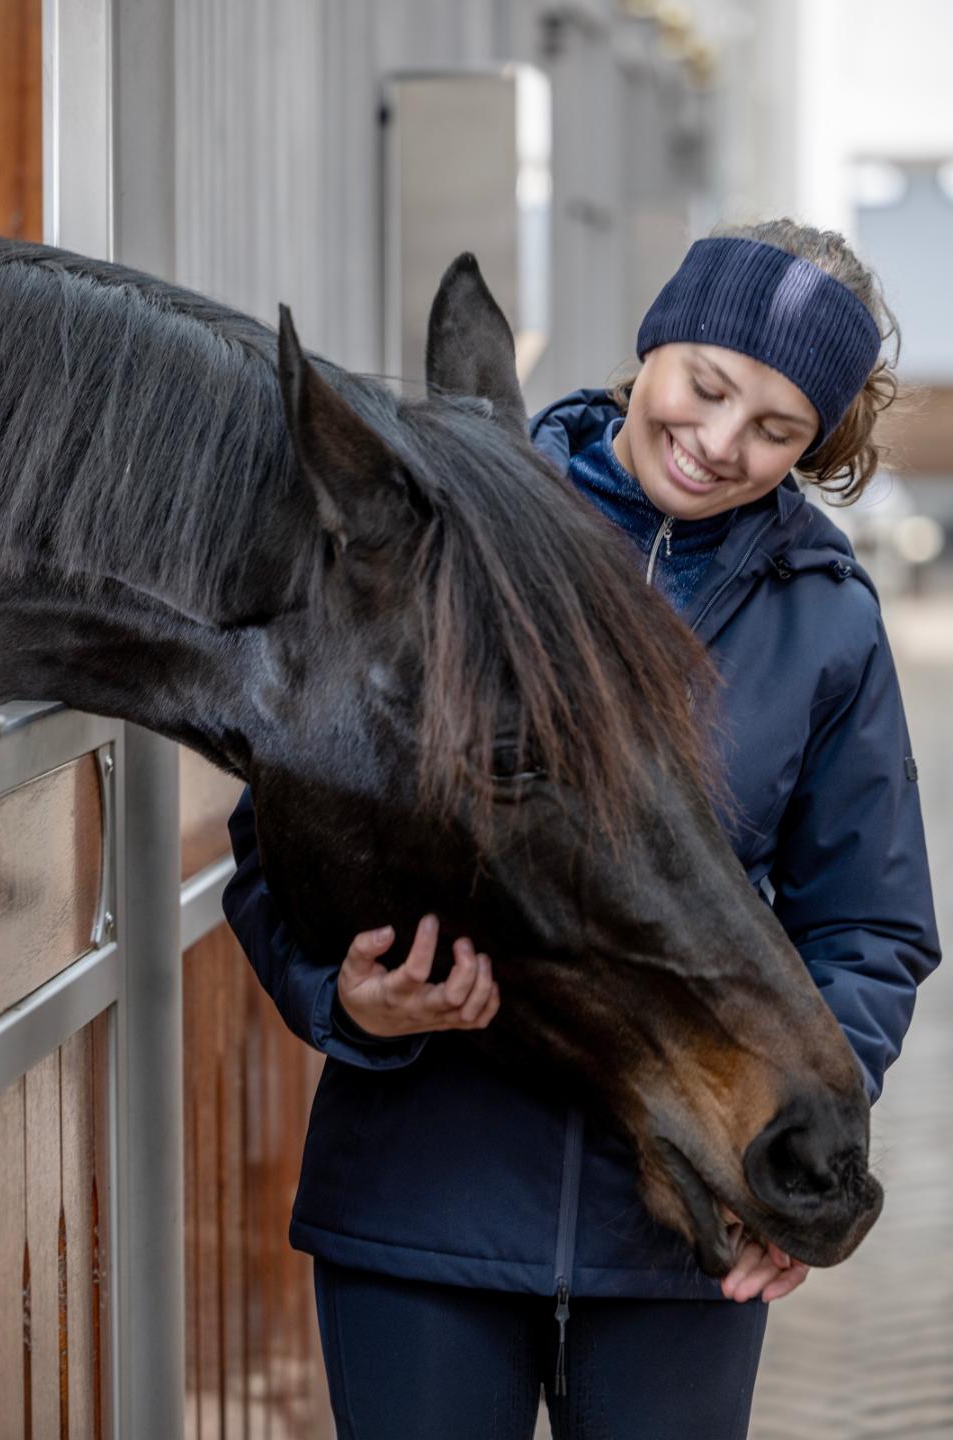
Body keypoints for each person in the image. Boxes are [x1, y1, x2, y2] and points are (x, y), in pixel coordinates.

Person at [222, 219, 941, 1439]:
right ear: (652, 348)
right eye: (705, 387)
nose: (719, 444)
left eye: (775, 429)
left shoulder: (826, 626)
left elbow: (869, 925)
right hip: (422, 1204)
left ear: (817, 443)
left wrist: (797, 1153)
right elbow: (279, 838)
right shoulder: (453, 541)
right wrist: (344, 1001)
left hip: (682, 1237)